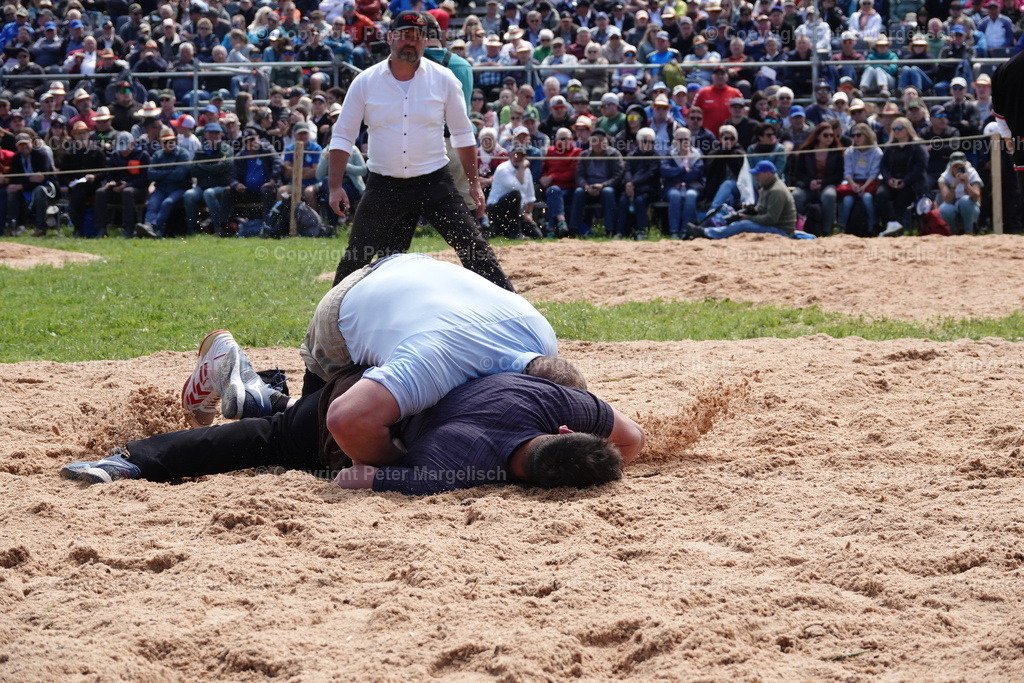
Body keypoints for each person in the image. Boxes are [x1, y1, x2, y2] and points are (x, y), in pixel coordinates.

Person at [62, 371, 642, 496]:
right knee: (271, 445)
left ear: (563, 429)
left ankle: (267, 390)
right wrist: (399, 476)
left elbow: (632, 438)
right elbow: (351, 476)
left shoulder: (547, 397)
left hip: (384, 371)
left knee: (296, 423)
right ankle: (129, 461)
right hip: (348, 409)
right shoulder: (455, 473)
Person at [326, 11, 511, 291]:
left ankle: (513, 312)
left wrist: (473, 185)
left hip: (434, 182)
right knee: (356, 259)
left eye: (417, 36)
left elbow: (463, 135)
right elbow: (342, 136)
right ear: (390, 37)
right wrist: (334, 187)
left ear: (426, 41)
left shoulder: (445, 79)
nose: (410, 42)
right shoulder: (365, 81)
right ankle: (332, 328)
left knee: (475, 250)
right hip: (383, 184)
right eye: (403, 35)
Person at [688, 160, 803, 240]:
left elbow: (771, 219)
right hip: (775, 227)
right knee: (739, 219)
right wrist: (746, 211)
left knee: (744, 225)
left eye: (758, 174)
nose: (756, 177)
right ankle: (711, 232)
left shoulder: (776, 191)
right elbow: (761, 210)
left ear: (767, 174)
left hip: (781, 232)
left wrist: (747, 217)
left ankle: (707, 233)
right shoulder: (767, 187)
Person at [877, 118, 930, 237]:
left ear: (907, 129)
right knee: (881, 194)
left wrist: (905, 181)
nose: (896, 131)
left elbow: (920, 166)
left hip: (912, 183)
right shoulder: (890, 147)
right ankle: (893, 224)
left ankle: (895, 229)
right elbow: (883, 166)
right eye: (894, 129)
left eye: (900, 128)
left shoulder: (917, 146)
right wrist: (888, 179)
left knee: (900, 200)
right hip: (892, 181)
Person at [789, 123, 843, 236]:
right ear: (818, 136)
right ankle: (797, 228)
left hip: (828, 184)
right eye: (826, 135)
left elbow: (839, 175)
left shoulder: (837, 153)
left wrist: (823, 183)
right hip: (807, 186)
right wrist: (810, 182)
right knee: (797, 196)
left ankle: (826, 230)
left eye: (832, 135)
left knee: (829, 195)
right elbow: (798, 173)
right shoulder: (806, 151)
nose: (829, 138)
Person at [136, 128, 191, 238]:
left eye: (170, 141)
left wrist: (161, 173)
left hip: (178, 189)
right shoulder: (157, 155)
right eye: (164, 142)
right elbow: (151, 174)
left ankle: (152, 228)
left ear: (175, 141)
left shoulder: (183, 154)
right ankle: (148, 227)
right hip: (161, 189)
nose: (167, 144)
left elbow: (180, 175)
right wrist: (170, 172)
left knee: (168, 202)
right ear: (160, 142)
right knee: (153, 204)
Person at [95, 132, 150, 238]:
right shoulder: (114, 156)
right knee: (100, 192)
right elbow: (110, 174)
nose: (123, 151)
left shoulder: (142, 155)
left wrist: (128, 184)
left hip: (137, 190)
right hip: (117, 189)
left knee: (127, 192)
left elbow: (145, 179)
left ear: (132, 144)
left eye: (125, 148)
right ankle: (101, 229)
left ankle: (129, 228)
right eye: (121, 148)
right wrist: (111, 183)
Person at [570, 129, 623, 237]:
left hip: (606, 187)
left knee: (608, 192)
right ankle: (573, 230)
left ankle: (610, 230)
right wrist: (586, 187)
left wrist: (603, 185)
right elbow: (579, 175)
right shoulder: (584, 155)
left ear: (606, 142)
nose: (598, 143)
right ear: (590, 142)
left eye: (601, 140)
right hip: (588, 187)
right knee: (579, 192)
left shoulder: (614, 154)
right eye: (595, 140)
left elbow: (618, 175)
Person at [184, 122, 234, 236]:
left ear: (221, 135)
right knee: (189, 195)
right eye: (211, 133)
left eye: (217, 133)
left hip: (222, 186)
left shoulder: (227, 149)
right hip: (202, 186)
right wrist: (214, 166)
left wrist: (204, 166)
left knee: (209, 193)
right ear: (205, 135)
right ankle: (192, 230)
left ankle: (218, 228)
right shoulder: (200, 150)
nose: (214, 136)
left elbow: (226, 166)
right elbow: (193, 170)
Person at [837, 123, 883, 237]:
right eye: (853, 135)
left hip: (870, 181)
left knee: (867, 198)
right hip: (853, 182)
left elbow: (874, 172)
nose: (855, 138)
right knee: (847, 200)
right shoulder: (850, 151)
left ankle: (873, 226)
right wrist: (852, 184)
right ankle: (842, 227)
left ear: (867, 135)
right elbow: (847, 171)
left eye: (859, 135)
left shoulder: (876, 151)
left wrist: (864, 186)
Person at [485, 147, 542, 239]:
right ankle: (515, 233)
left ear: (525, 158)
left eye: (521, 156)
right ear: (510, 156)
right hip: (497, 210)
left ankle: (508, 232)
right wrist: (522, 168)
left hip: (518, 211)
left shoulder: (526, 171)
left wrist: (527, 213)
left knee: (537, 236)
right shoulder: (503, 169)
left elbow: (530, 196)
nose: (518, 158)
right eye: (515, 155)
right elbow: (518, 186)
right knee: (514, 195)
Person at [616, 127, 660, 240]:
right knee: (623, 200)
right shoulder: (631, 155)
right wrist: (629, 183)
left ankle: (642, 231)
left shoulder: (656, 156)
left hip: (648, 189)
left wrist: (632, 183)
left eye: (651, 142)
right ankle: (619, 232)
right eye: (645, 141)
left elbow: (650, 174)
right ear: (638, 142)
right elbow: (627, 171)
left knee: (639, 201)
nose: (648, 144)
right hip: (632, 188)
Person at [6, 134, 55, 236]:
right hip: (26, 188)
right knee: (12, 194)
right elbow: (14, 177)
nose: (24, 147)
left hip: (47, 188)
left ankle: (41, 228)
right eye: (21, 145)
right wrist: (29, 179)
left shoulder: (41, 154)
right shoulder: (16, 157)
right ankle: (12, 227)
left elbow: (42, 178)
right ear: (17, 146)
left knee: (39, 190)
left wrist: (22, 185)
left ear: (31, 143)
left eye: (26, 144)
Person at [661, 127, 704, 239]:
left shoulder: (697, 154)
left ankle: (686, 230)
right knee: (675, 195)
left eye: (686, 139)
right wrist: (684, 170)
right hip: (672, 187)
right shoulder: (669, 153)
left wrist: (677, 177)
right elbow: (664, 171)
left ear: (690, 140)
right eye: (680, 140)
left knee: (690, 195)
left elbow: (696, 173)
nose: (683, 142)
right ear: (675, 141)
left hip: (692, 186)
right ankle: (674, 231)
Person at [938, 152, 984, 235]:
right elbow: (947, 200)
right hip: (953, 209)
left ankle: (969, 231)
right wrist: (954, 185)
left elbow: (976, 197)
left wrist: (967, 184)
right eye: (955, 166)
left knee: (965, 200)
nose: (958, 169)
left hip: (971, 209)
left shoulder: (972, 174)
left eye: (960, 166)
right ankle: (953, 231)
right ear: (951, 166)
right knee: (945, 209)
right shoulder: (944, 178)